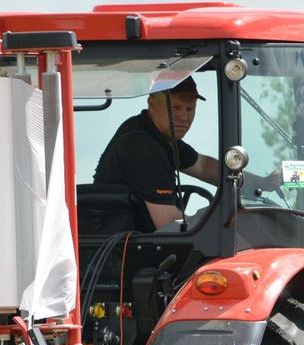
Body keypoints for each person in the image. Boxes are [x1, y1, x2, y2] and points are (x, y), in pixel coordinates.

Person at [93, 75, 220, 230]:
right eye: (176, 108)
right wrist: (222, 225)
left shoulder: (153, 133)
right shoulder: (142, 148)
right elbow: (170, 225)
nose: (183, 117)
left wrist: (253, 186)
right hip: (131, 251)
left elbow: (203, 166)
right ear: (152, 104)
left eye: (189, 109)